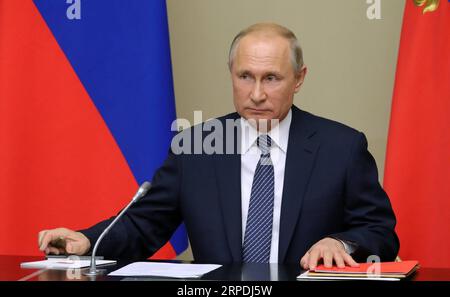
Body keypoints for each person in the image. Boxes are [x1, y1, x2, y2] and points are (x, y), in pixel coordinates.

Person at [38, 23, 399, 269]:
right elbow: (144, 224)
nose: (256, 94)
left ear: (299, 78)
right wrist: (86, 240)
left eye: (271, 78)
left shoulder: (341, 147)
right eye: (245, 77)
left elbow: (381, 232)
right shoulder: (196, 146)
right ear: (231, 73)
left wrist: (341, 242)